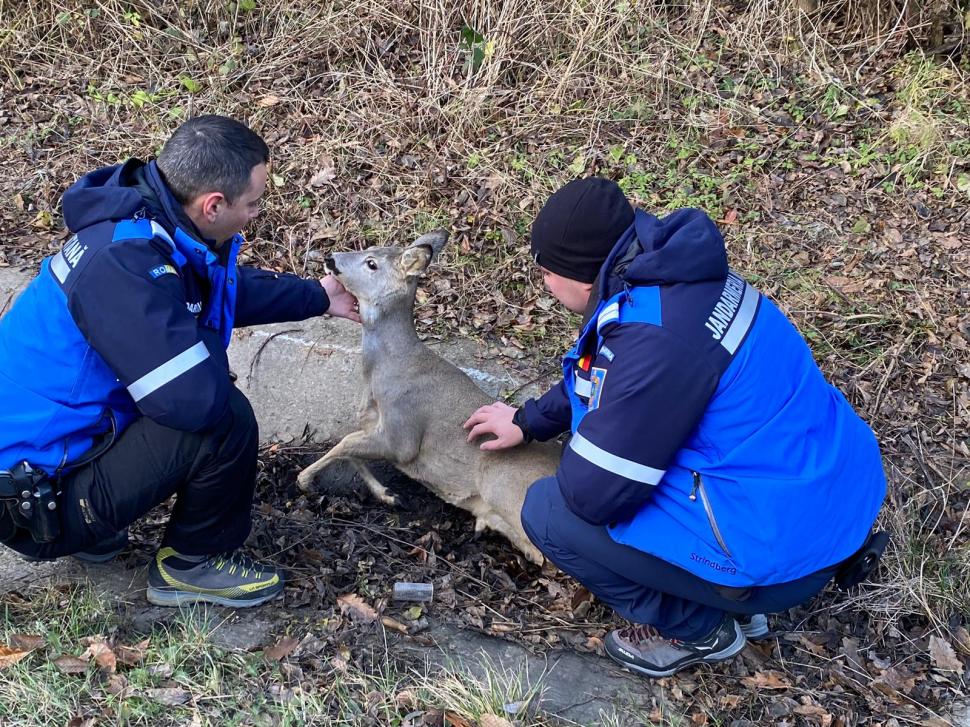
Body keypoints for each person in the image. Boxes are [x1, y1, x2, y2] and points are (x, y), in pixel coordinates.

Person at [463, 177, 886, 678]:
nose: (546, 286)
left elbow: (592, 495)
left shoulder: (655, 341)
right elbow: (615, 378)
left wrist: (584, 441)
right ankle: (739, 600)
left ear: (578, 276)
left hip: (788, 550)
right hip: (831, 501)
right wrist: (530, 420)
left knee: (552, 511)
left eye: (545, 273)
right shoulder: (680, 280)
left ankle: (703, 626)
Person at [0, 115, 360, 608]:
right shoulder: (125, 269)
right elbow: (194, 403)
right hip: (36, 503)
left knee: (188, 395)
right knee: (222, 417)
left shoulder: (140, 225)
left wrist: (317, 296)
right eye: (253, 203)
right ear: (213, 205)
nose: (257, 212)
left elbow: (201, 291)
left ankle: (93, 527)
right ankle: (192, 563)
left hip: (38, 470)